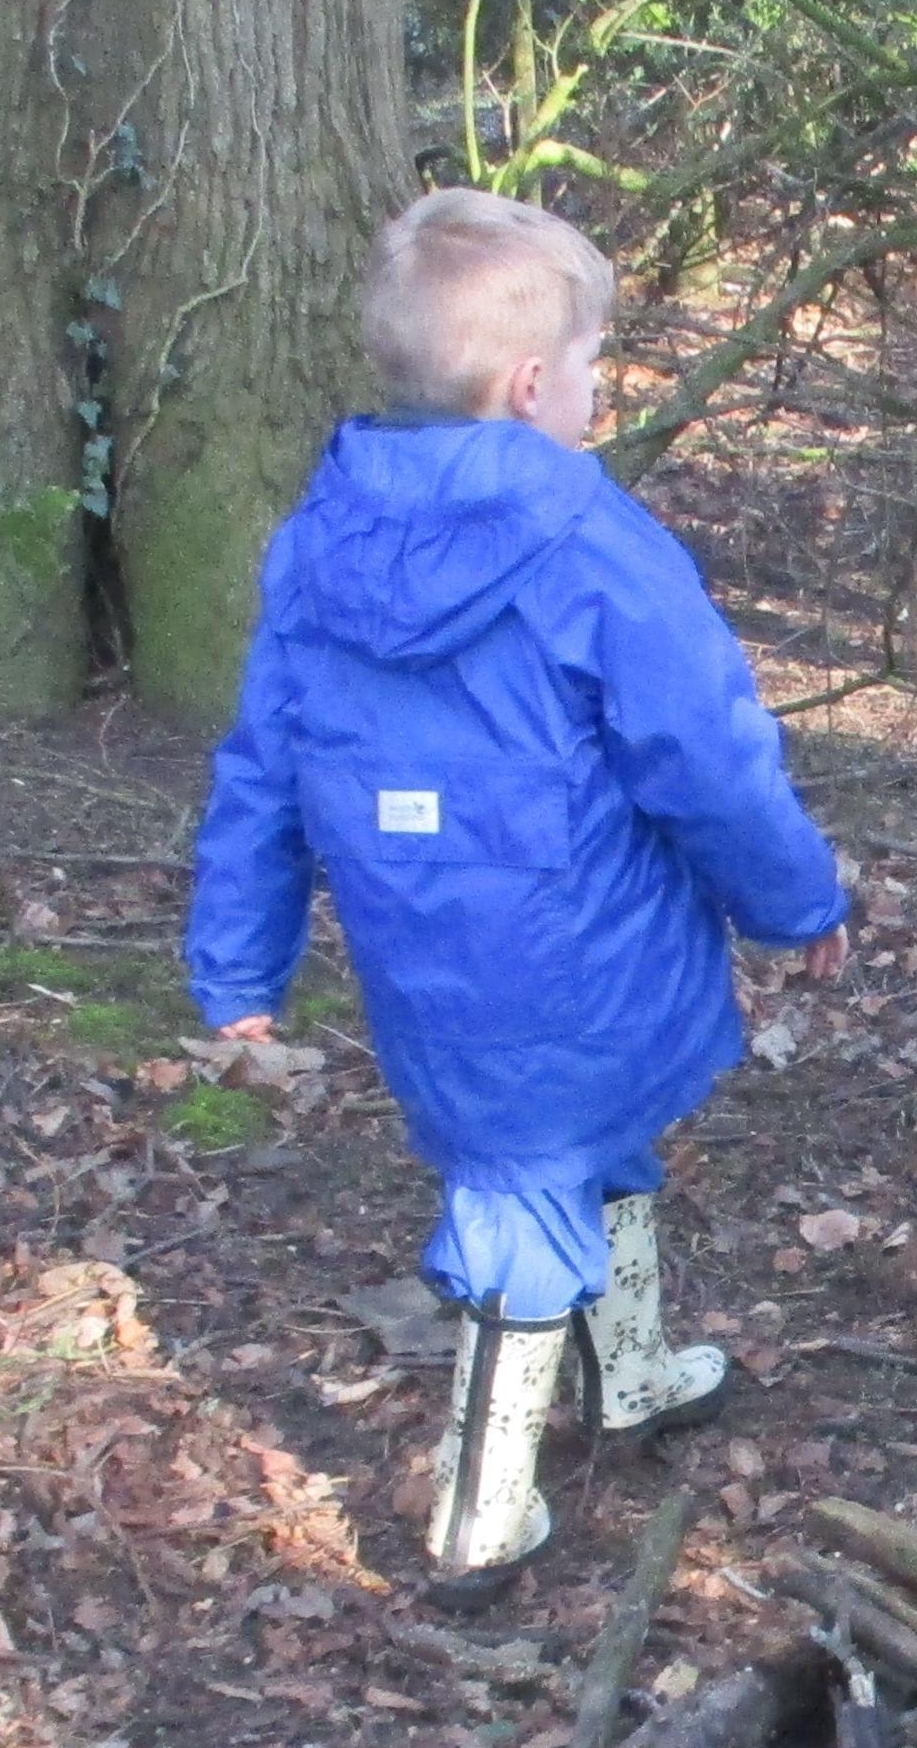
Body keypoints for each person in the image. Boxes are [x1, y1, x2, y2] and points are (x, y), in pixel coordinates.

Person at [187, 187, 850, 1587]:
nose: (603, 388)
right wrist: (796, 902)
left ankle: (633, 1373)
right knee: (520, 1198)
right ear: (532, 384)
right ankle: (481, 1515)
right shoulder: (594, 541)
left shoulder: (318, 538)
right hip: (582, 944)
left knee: (578, 1149)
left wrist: (240, 958)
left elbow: (264, 763)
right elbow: (707, 753)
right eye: (597, 360)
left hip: (423, 947)